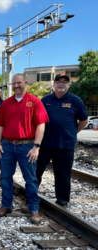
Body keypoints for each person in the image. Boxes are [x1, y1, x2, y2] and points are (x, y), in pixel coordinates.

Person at [0, 73, 49, 225]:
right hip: (8, 145)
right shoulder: (6, 103)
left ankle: (33, 209)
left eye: (19, 83)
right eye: (14, 83)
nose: (16, 86)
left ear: (25, 82)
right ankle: (6, 205)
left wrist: (36, 146)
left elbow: (41, 125)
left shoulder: (35, 101)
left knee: (30, 179)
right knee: (5, 177)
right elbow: (0, 125)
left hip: (27, 146)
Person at [36, 73, 88, 207]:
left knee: (63, 175)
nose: (61, 84)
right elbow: (37, 120)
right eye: (58, 81)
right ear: (54, 84)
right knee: (36, 172)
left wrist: (72, 132)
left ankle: (62, 201)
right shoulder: (45, 100)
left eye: (64, 82)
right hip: (44, 145)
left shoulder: (75, 100)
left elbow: (84, 120)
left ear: (68, 85)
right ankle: (32, 197)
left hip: (65, 146)